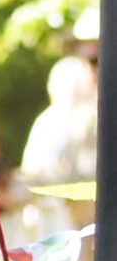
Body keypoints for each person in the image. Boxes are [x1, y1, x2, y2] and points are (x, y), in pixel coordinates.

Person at [21, 54, 97, 234]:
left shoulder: (86, 118)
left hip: (69, 210)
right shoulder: (49, 121)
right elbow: (32, 170)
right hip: (56, 210)